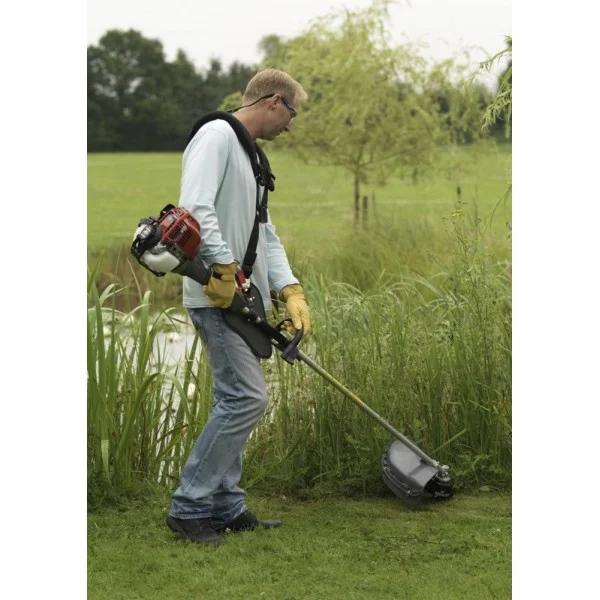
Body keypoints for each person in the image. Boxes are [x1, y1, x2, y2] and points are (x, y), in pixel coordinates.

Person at [166, 68, 311, 545]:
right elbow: (194, 207)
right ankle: (189, 506)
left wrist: (289, 288)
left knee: (232, 399)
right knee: (247, 398)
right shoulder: (216, 136)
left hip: (243, 298)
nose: (291, 125)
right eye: (292, 113)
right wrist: (224, 266)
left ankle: (226, 506)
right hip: (216, 294)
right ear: (273, 101)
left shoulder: (251, 156)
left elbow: (263, 233)